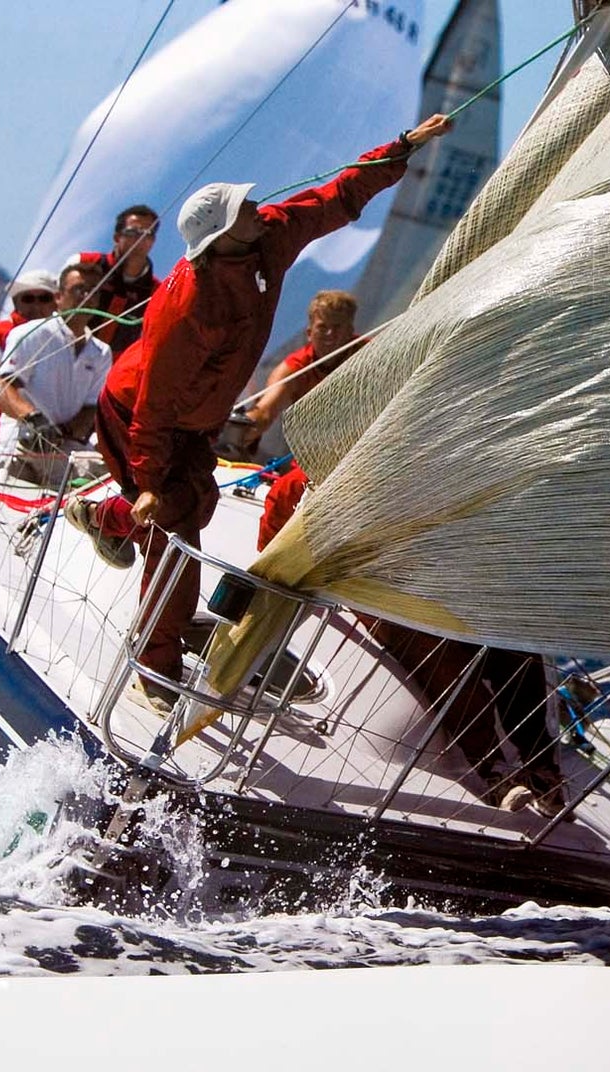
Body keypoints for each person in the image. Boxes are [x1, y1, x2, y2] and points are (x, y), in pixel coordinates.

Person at [64, 113, 454, 709]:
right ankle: (155, 663)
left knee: (196, 505)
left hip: (194, 418)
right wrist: (148, 481)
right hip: (139, 412)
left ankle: (106, 518)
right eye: (243, 207)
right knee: (174, 529)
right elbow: (153, 404)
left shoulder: (267, 234)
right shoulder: (186, 302)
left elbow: (335, 198)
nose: (257, 206)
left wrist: (402, 148)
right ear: (222, 234)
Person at [255, 461, 570, 816]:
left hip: (425, 585)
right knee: (440, 660)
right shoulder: (296, 487)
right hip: (366, 592)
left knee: (514, 651)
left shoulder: (410, 479)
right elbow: (271, 553)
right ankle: (494, 772)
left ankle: (541, 766)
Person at [0, 263, 112, 490]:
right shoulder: (32, 333)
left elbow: (91, 407)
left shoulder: (101, 352)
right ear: (58, 296)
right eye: (79, 289)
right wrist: (34, 419)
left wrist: (61, 433)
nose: (87, 296)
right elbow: (4, 389)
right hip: (20, 448)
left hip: (64, 454)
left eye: (94, 291)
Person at [226, 290, 363, 457]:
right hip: (315, 455)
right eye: (322, 327)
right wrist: (237, 430)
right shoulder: (294, 368)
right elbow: (265, 412)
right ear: (309, 333)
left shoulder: (371, 356)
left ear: (350, 331)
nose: (330, 334)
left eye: (337, 327)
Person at [75, 205, 162, 352]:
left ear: (153, 240)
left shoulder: (157, 292)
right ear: (117, 237)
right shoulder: (84, 263)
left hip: (118, 364)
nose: (140, 238)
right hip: (68, 354)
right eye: (133, 232)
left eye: (148, 233)